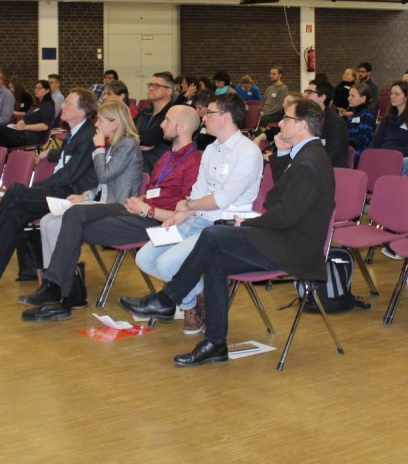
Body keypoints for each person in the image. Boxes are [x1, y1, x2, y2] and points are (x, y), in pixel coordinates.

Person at [119, 97, 334, 367]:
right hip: (283, 236)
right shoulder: (305, 154)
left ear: (301, 125)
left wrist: (248, 224)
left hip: (292, 247)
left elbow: (285, 213)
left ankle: (167, 299)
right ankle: (215, 343)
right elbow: (283, 197)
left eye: (286, 119)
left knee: (214, 235)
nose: (279, 123)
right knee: (215, 259)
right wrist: (280, 156)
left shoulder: (310, 161)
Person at [19, 105, 202, 323]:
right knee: (73, 218)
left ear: (181, 128)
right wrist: (142, 200)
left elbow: (188, 211)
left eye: (167, 121)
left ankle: (59, 292)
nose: (161, 124)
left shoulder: (195, 162)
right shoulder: (165, 158)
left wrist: (149, 209)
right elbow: (155, 193)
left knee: (72, 224)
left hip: (157, 222)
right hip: (136, 210)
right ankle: (57, 290)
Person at [0, 89, 101, 297]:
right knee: (14, 213)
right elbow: (65, 155)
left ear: (82, 111)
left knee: (15, 191)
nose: (62, 106)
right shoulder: (76, 133)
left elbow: (68, 177)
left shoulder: (87, 136)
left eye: (68, 104)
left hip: (69, 197)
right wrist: (49, 153)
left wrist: (36, 188)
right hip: (58, 191)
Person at [131, 91, 264, 332]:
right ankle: (196, 297)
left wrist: (188, 206)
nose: (204, 118)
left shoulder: (248, 152)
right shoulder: (212, 149)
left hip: (225, 227)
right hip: (198, 220)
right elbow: (198, 191)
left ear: (225, 117)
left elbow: (221, 199)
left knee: (168, 265)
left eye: (209, 113)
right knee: (145, 258)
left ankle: (188, 302)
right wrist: (175, 218)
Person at [31, 98, 145, 302]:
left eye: (100, 120)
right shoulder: (114, 145)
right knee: (49, 221)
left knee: (60, 224)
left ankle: (64, 288)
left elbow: (104, 175)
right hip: (104, 204)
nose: (96, 124)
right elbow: (102, 185)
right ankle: (51, 284)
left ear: (115, 123)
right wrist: (86, 196)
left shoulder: (128, 145)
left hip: (119, 206)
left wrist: (99, 148)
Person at [0, 79, 57, 150]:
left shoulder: (47, 105)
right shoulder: (36, 105)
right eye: (35, 88)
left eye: (40, 88)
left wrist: (25, 127)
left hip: (30, 136)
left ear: (47, 90)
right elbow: (29, 118)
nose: (36, 90)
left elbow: (44, 126)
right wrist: (22, 122)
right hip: (23, 132)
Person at [369, 81, 408, 167]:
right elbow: (377, 139)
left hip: (400, 158)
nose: (392, 97)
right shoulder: (388, 117)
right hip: (383, 155)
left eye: (397, 94)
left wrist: (396, 152)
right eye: (391, 93)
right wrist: (370, 152)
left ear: (406, 96)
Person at [304, 79, 349, 168]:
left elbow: (330, 155)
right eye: (305, 92)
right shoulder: (305, 118)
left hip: (329, 171)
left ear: (322, 98)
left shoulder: (336, 123)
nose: (304, 95)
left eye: (309, 92)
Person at [136, 71, 176, 172]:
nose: (150, 88)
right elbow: (126, 131)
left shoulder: (173, 114)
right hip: (138, 162)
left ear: (169, 91)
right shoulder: (145, 112)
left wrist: (136, 138)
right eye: (150, 85)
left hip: (157, 166)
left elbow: (148, 138)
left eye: (156, 86)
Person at [345, 83, 377, 158]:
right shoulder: (354, 115)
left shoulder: (367, 116)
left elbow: (362, 140)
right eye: (349, 95)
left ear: (363, 98)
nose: (348, 98)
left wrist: (343, 142)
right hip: (348, 151)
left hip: (358, 155)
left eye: (352, 96)